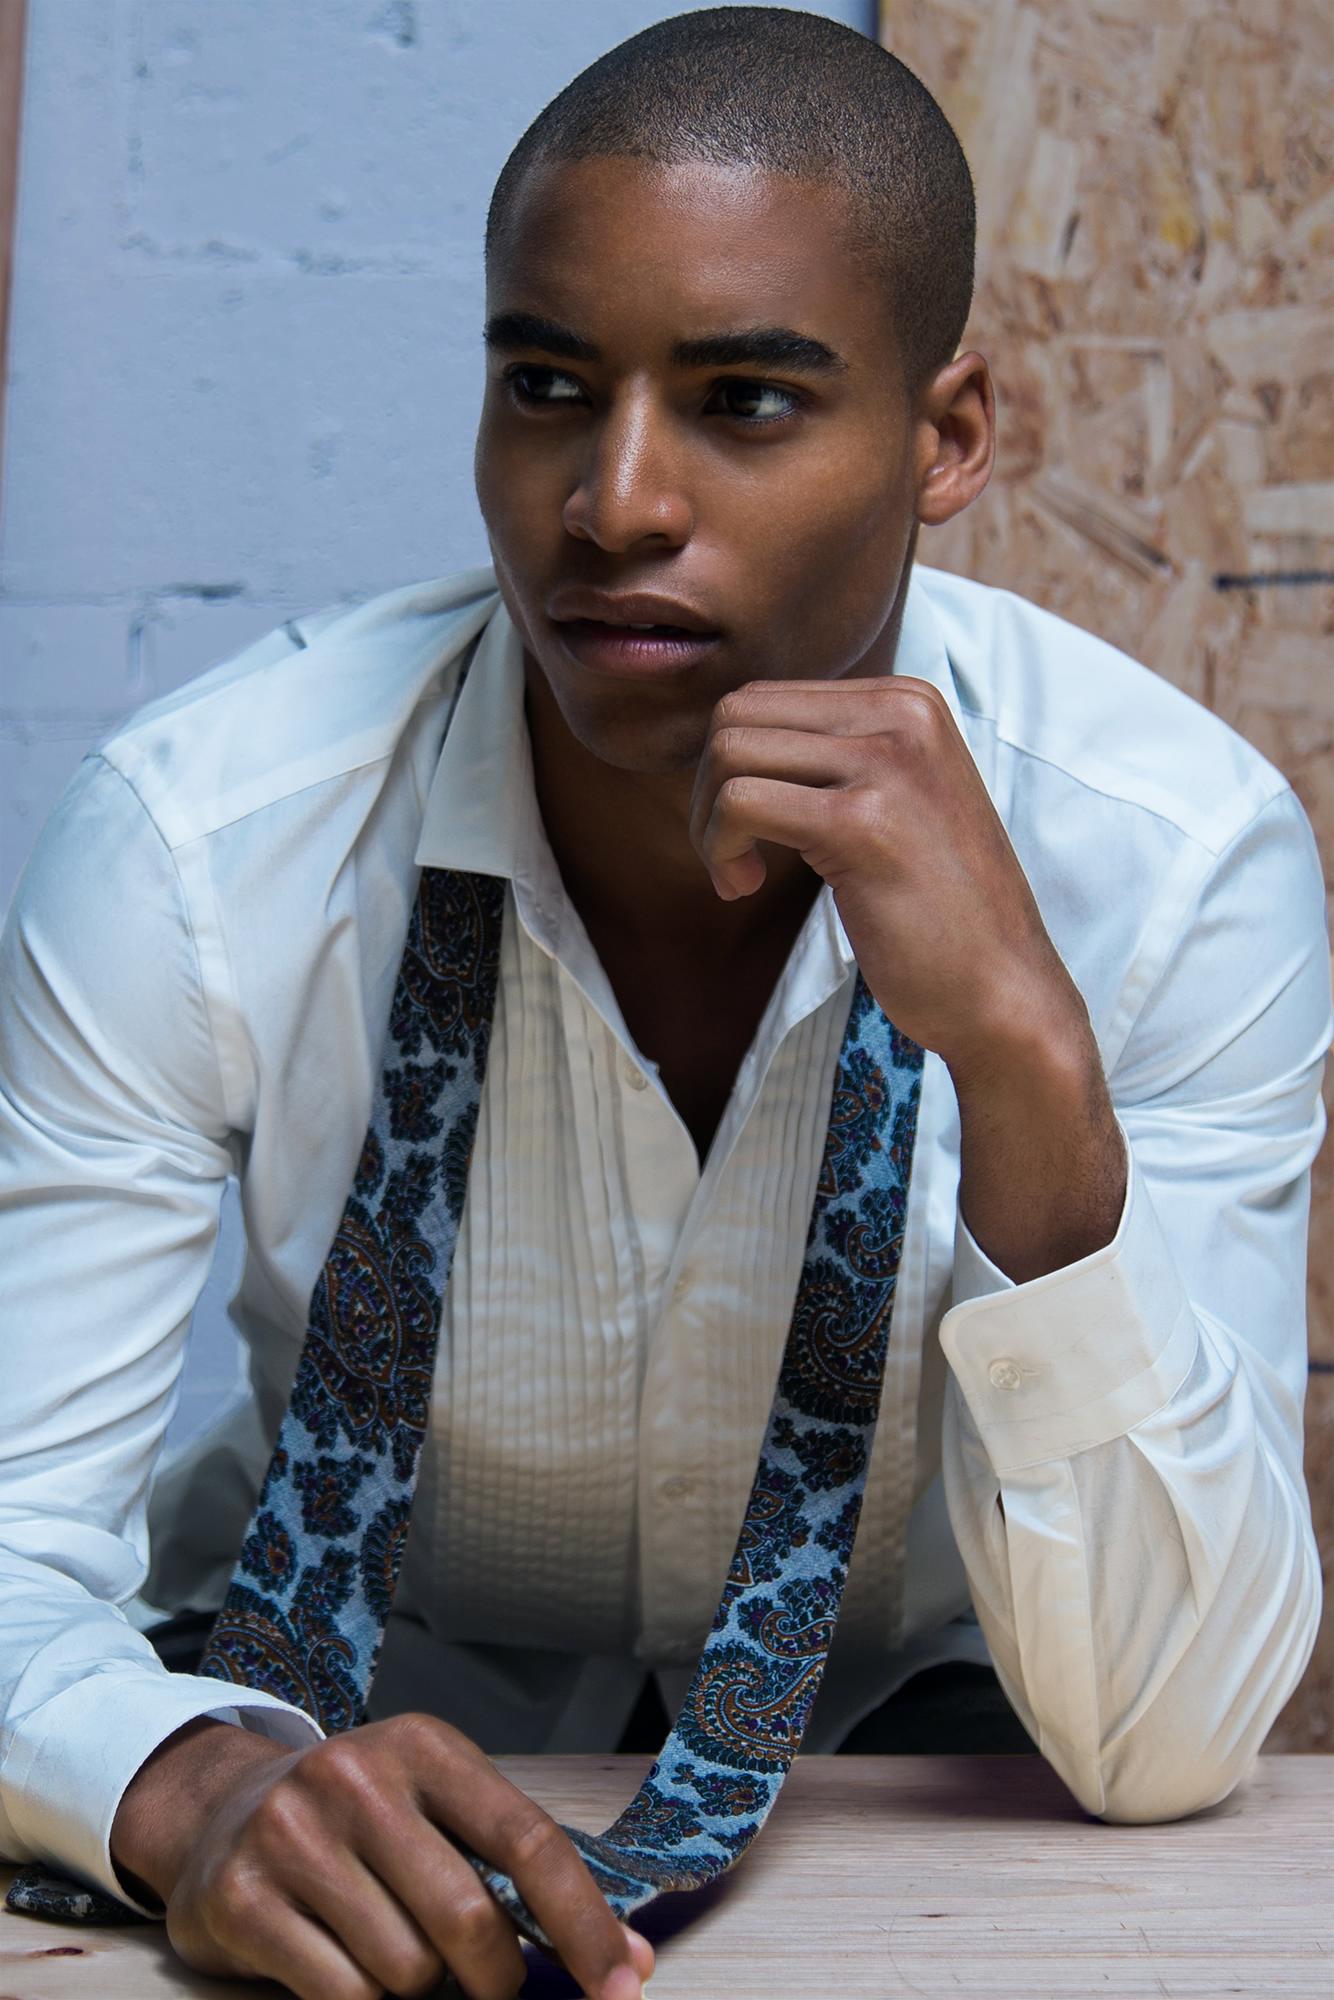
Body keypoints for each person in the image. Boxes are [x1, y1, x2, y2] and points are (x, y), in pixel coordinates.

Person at [1, 7, 1329, 1998]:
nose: (613, 500)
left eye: (744, 401)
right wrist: (186, 1785)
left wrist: (1028, 1070)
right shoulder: (202, 843)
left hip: (915, 1759)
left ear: (947, 437)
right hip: (334, 1723)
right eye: (546, 386)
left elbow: (1166, 1737)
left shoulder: (1169, 860)